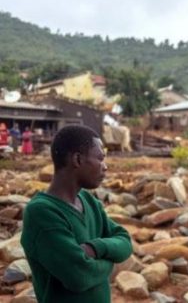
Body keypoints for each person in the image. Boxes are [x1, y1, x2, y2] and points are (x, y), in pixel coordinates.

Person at [21, 125, 132, 303]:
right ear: (78, 159)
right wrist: (111, 262)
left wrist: (95, 248)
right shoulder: (41, 212)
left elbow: (125, 240)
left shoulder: (89, 201)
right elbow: (79, 276)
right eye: (100, 158)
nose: (105, 166)